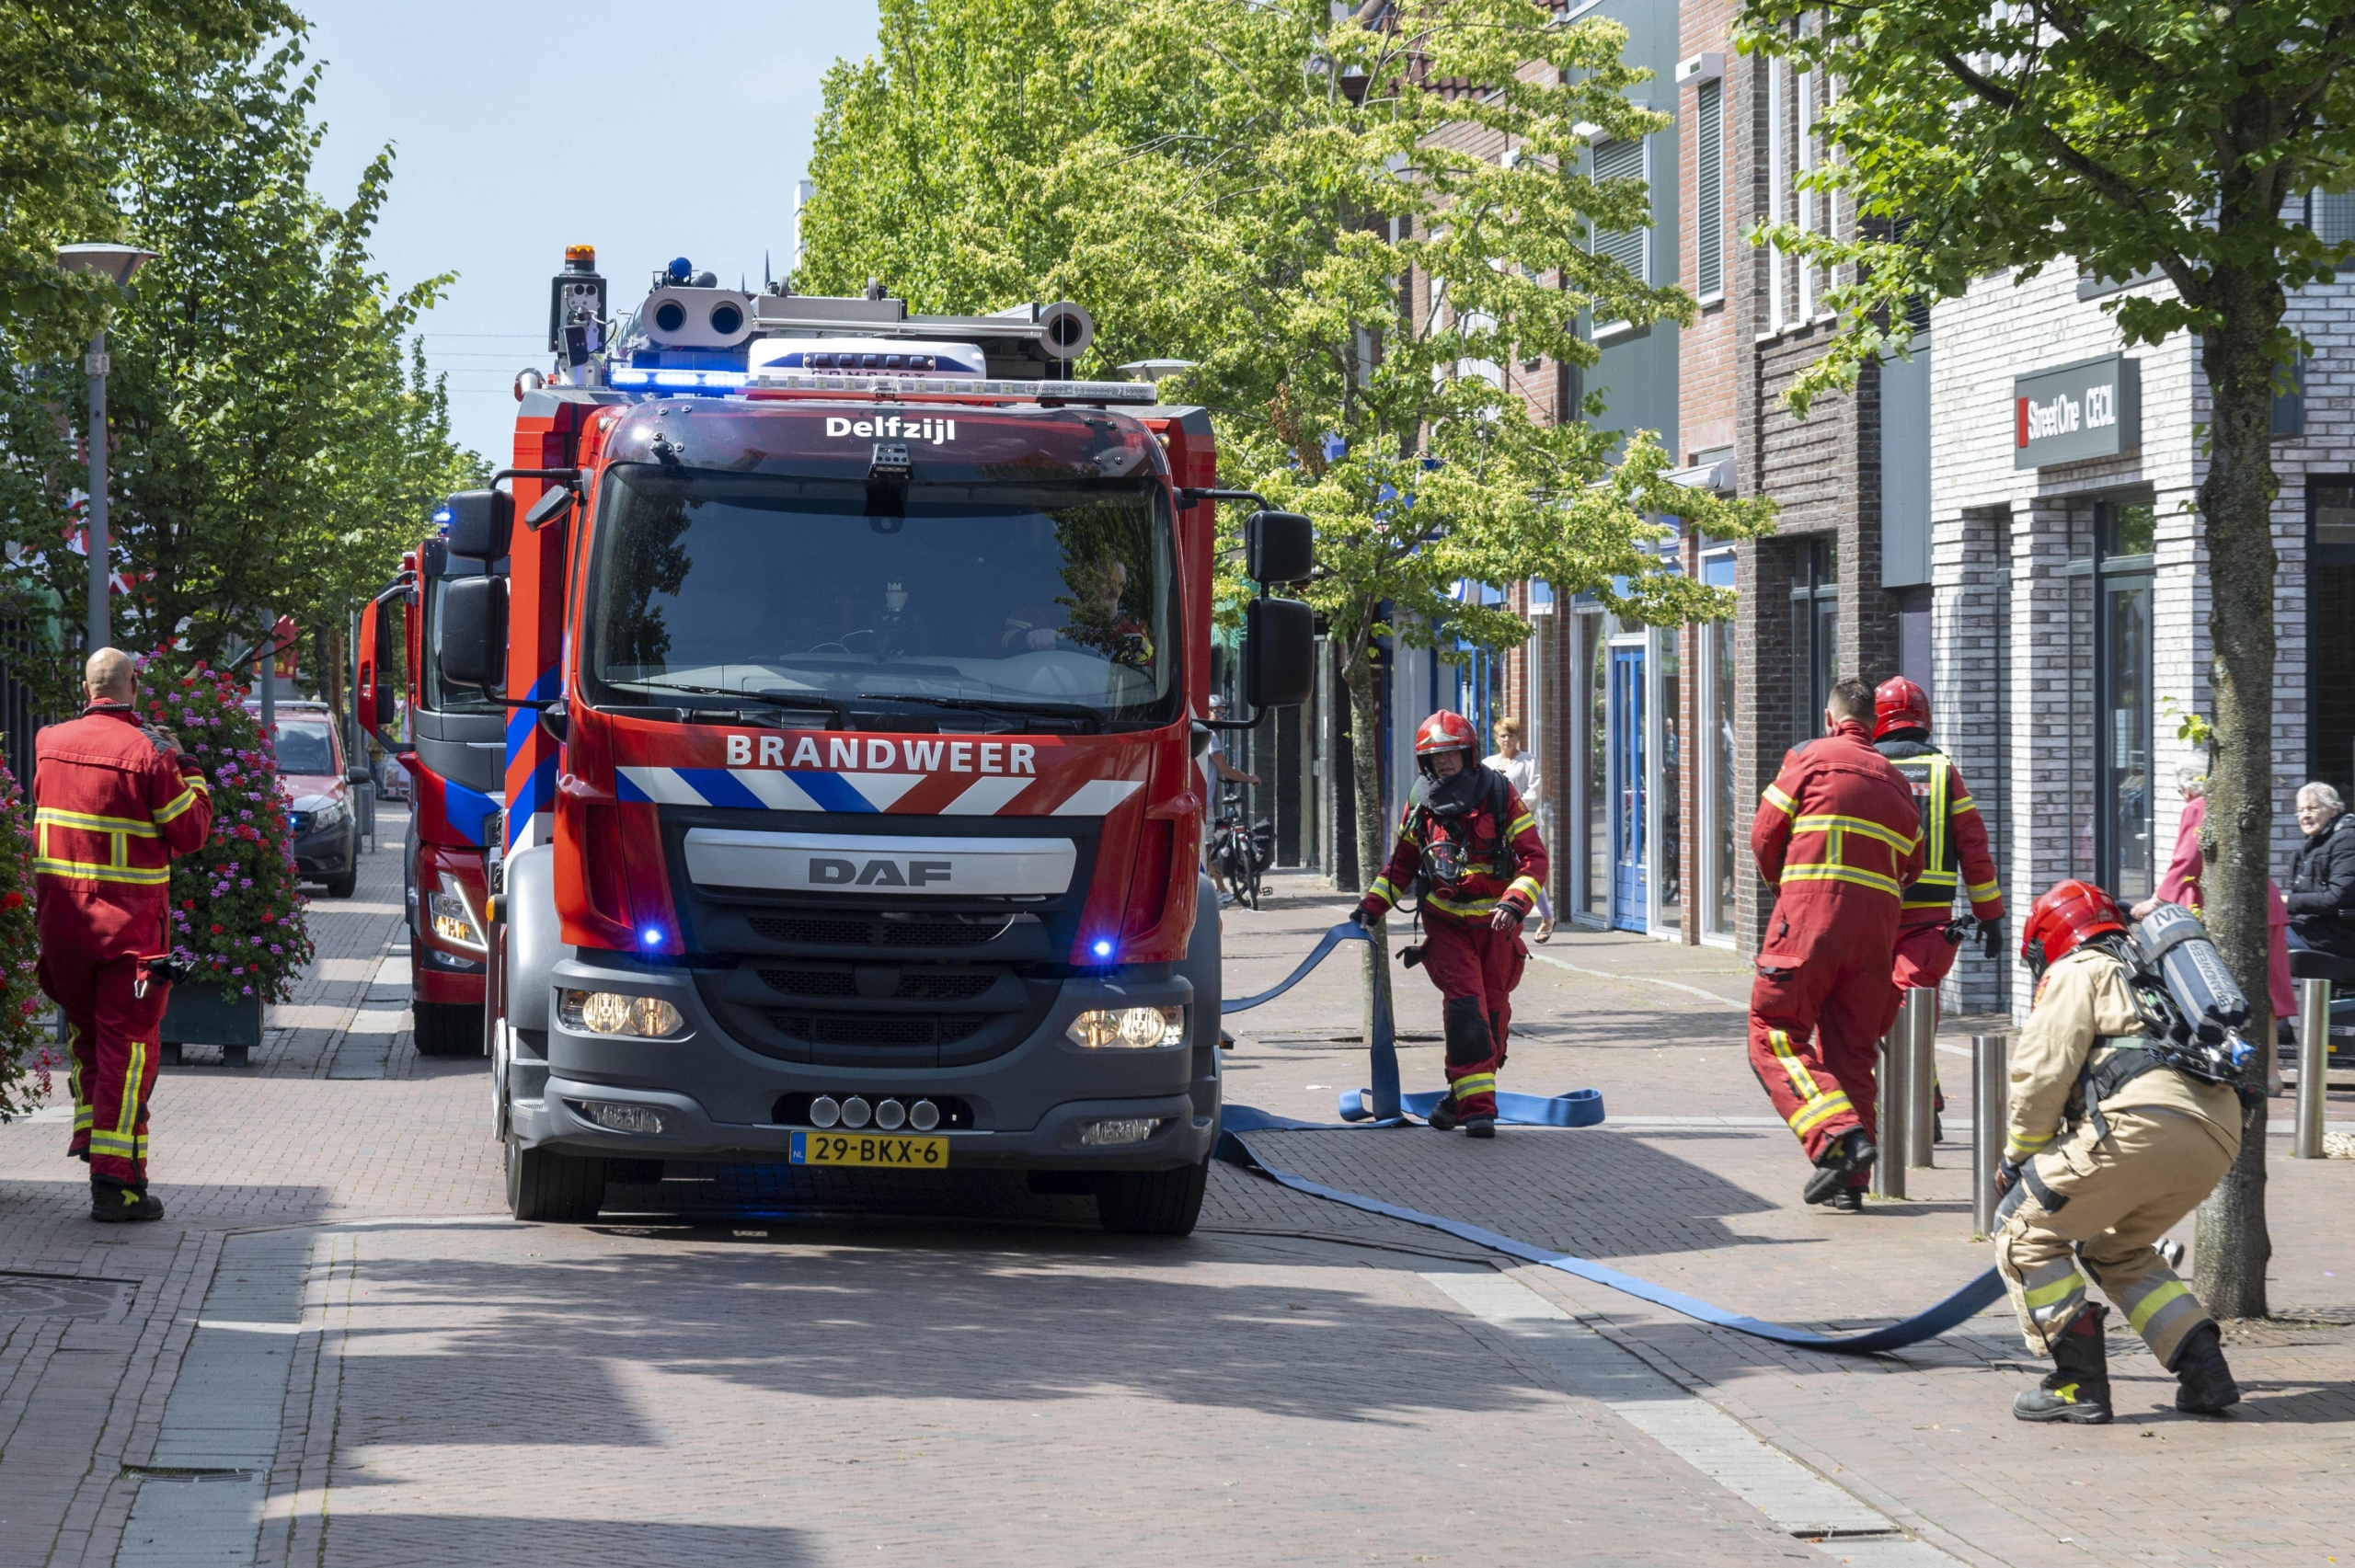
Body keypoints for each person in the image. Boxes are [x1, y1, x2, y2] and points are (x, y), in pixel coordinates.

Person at [1993, 879, 2243, 1425]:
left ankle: (2075, 1384)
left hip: (2143, 1123)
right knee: (2117, 1249)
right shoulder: (2151, 971)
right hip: (2218, 1132)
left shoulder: (2078, 969)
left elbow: (2042, 1073)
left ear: (2047, 939)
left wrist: (2019, 1158)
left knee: (2023, 1232)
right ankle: (2205, 1372)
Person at [34, 648, 214, 1222]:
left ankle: (108, 1153)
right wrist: (189, 766)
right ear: (134, 684)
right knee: (130, 1050)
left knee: (90, 1041)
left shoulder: (48, 743)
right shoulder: (150, 753)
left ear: (88, 688)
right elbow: (191, 831)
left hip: (63, 924)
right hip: (130, 932)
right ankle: (114, 1184)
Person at [1747, 677, 1924, 1211]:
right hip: (1875, 935)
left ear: (1831, 719)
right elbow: (1911, 868)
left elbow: (1764, 833)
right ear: (1874, 725)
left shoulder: (1808, 756)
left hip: (1809, 921)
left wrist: (1788, 888)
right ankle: (1850, 1188)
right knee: (1851, 1051)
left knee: (1773, 1031)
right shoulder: (1898, 782)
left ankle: (1836, 1138)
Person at [1354, 711, 1547, 1138]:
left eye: (1450, 754)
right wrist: (1371, 907)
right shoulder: (1421, 802)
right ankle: (1480, 1111)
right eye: (1434, 757)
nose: (1442, 763)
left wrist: (1516, 903)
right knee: (1466, 1010)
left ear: (1468, 753)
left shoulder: (1500, 794)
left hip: (1497, 929)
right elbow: (1400, 866)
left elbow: (1535, 858)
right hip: (1446, 927)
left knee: (1493, 1018)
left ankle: (1457, 1100)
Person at [2131, 771, 2294, 1036]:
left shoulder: (2197, 807)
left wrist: (2157, 900)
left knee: (2229, 992)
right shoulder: (2229, 802)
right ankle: (2272, 1072)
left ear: (2186, 790)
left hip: (2235, 906)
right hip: (2265, 900)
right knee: (2267, 993)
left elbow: (2187, 859)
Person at [1870, 678, 2004, 994]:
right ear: (1924, 718)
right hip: (1928, 919)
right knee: (1913, 1000)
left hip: (1871, 909)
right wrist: (1990, 915)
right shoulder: (1944, 771)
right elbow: (1974, 850)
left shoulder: (1865, 766)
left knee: (1860, 1006)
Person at [1483, 715, 1555, 943]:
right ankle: (1505, 918)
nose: (1506, 739)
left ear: (1517, 738)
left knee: (1529, 869)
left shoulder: (1528, 761)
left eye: (1511, 735)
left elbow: (1535, 790)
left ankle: (1547, 916)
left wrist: (1515, 811)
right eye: (1502, 736)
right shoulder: (1488, 764)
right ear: (1496, 739)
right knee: (1503, 871)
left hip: (1524, 826)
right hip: (1496, 829)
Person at [1198, 694, 1259, 907]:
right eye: (1217, 711)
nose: (1222, 716)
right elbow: (1225, 769)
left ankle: (1218, 890)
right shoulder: (1210, 734)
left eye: (1224, 711)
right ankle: (1217, 892)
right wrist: (1249, 778)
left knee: (1203, 850)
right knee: (1204, 850)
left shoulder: (1199, 732)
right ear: (1206, 711)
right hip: (1203, 801)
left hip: (1201, 798)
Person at [2284, 781, 2355, 958]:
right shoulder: (2313, 845)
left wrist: (2286, 901)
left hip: (2340, 934)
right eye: (2300, 810)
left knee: (2261, 937)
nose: (2305, 816)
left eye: (2312, 808)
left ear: (2333, 810)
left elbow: (2337, 897)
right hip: (2316, 928)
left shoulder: (2346, 840)